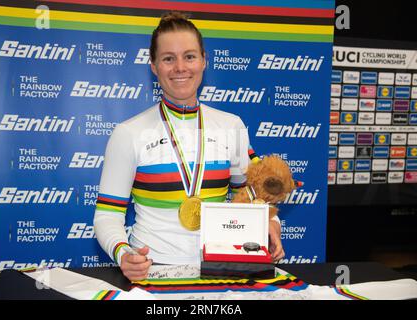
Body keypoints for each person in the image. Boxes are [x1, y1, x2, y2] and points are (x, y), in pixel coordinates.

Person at [94, 11, 284, 281]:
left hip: (220, 270)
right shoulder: (128, 133)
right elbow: (107, 215)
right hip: (152, 271)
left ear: (204, 61)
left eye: (190, 56)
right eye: (168, 58)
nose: (180, 67)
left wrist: (271, 222)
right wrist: (124, 253)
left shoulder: (232, 126)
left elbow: (252, 196)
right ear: (153, 65)